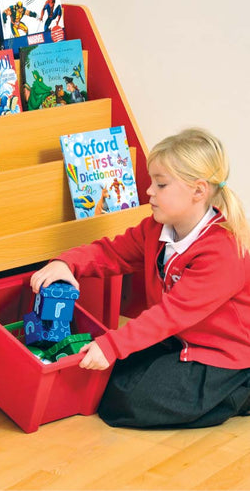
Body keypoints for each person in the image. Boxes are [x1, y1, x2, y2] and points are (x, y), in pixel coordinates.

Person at [30, 128, 250, 428]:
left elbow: (171, 315)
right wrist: (67, 263)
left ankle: (241, 392)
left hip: (221, 355)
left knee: (125, 404)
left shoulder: (223, 251)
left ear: (198, 191)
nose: (149, 191)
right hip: (177, 339)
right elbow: (113, 253)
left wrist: (111, 346)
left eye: (160, 185)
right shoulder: (157, 228)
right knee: (108, 379)